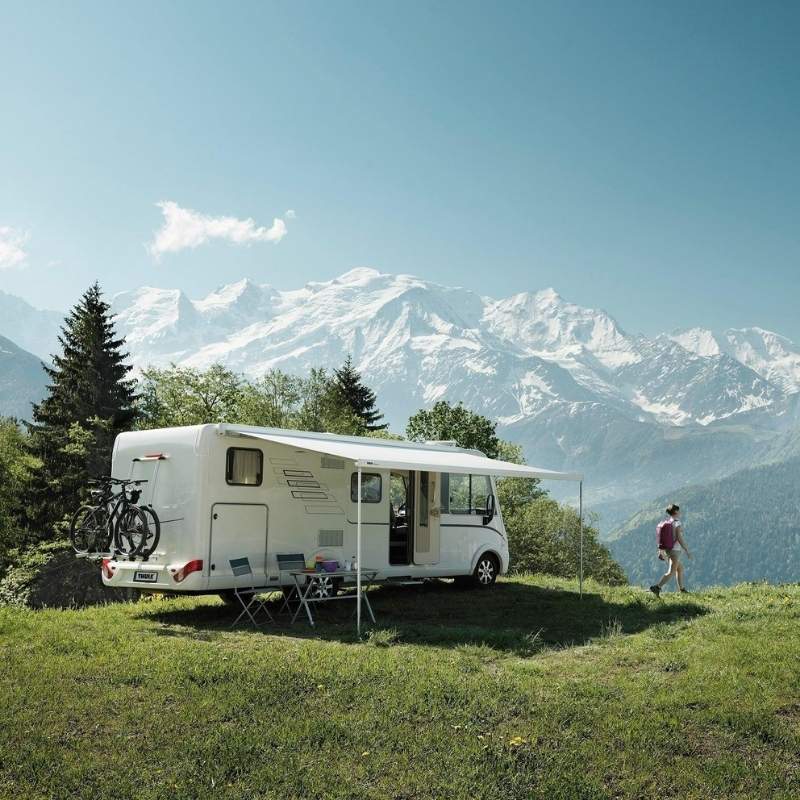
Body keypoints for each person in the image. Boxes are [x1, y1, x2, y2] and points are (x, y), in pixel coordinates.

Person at [650, 503, 692, 596]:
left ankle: (682, 589)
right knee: (671, 572)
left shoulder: (668, 521)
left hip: (668, 549)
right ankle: (657, 587)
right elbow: (679, 538)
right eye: (679, 510)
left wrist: (661, 551)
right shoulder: (677, 522)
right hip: (675, 550)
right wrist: (687, 550)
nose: (680, 512)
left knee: (680, 568)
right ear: (676, 511)